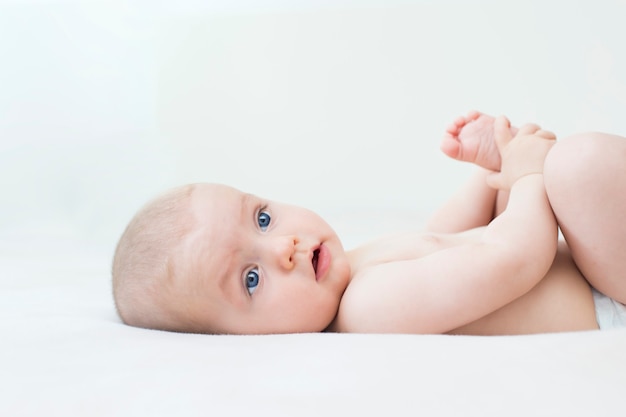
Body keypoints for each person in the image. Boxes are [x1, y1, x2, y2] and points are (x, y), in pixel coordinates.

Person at [112, 111, 626, 335]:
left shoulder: (357, 270)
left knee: (573, 170)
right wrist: (531, 175)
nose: (282, 248)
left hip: (594, 272)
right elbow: (514, 258)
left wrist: (493, 170)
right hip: (606, 303)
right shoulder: (367, 308)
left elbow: (454, 233)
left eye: (263, 219)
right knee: (576, 166)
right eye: (251, 279)